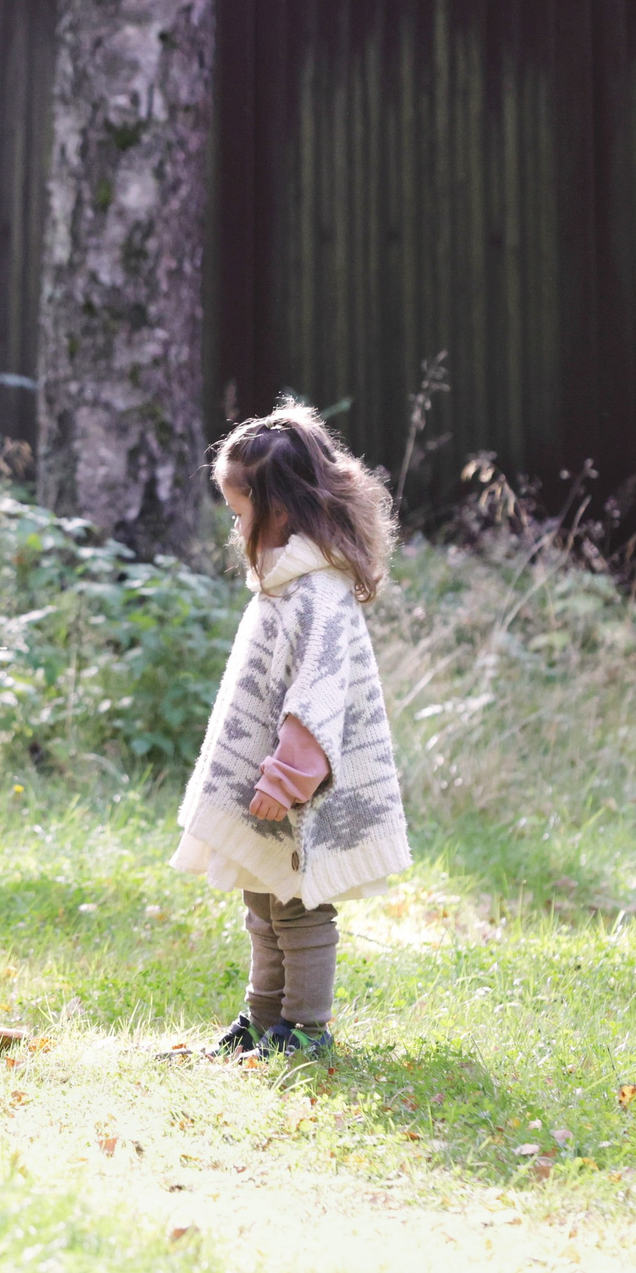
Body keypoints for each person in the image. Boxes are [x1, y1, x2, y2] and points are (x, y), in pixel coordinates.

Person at [170, 403, 414, 1060]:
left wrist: (285, 778)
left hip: (294, 788)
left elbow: (317, 701)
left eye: (238, 508)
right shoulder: (281, 588)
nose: (235, 522)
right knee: (263, 900)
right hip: (267, 787)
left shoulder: (318, 594)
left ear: (276, 509)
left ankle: (305, 1027)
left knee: (299, 907)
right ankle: (261, 1019)